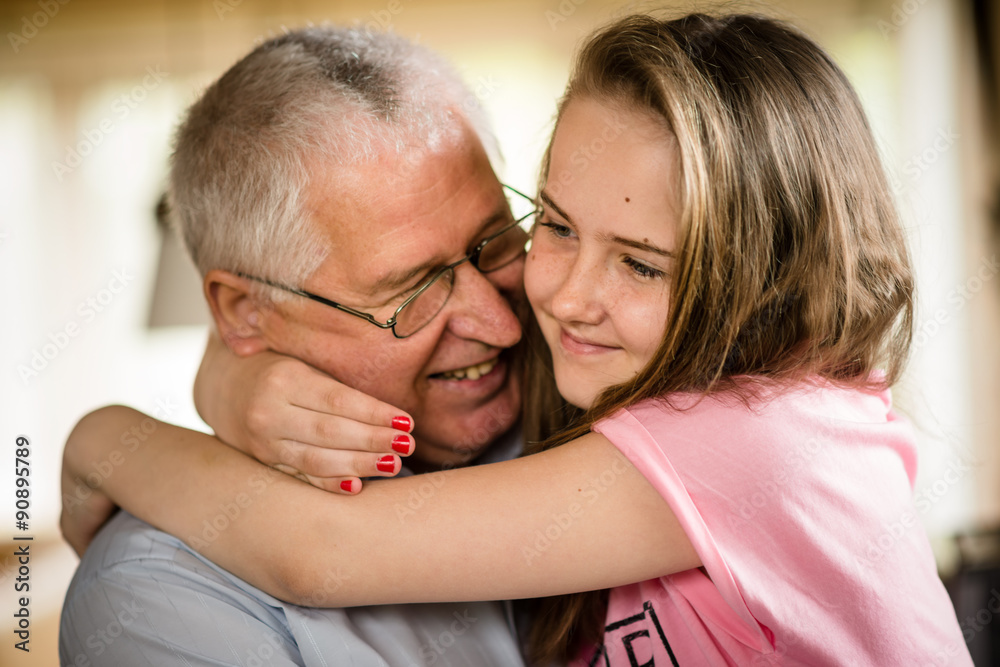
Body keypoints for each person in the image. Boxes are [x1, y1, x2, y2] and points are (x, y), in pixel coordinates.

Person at [62, 12, 973, 667]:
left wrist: (102, 437)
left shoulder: (758, 438)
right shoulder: (608, 379)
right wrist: (231, 375)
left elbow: (319, 550)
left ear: (759, 280)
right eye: (556, 229)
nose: (537, 308)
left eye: (645, 264)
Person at [58, 25, 534, 667]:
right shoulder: (157, 602)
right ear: (245, 313)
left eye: (498, 242)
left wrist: (113, 435)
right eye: (414, 289)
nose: (502, 326)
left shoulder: (596, 392)